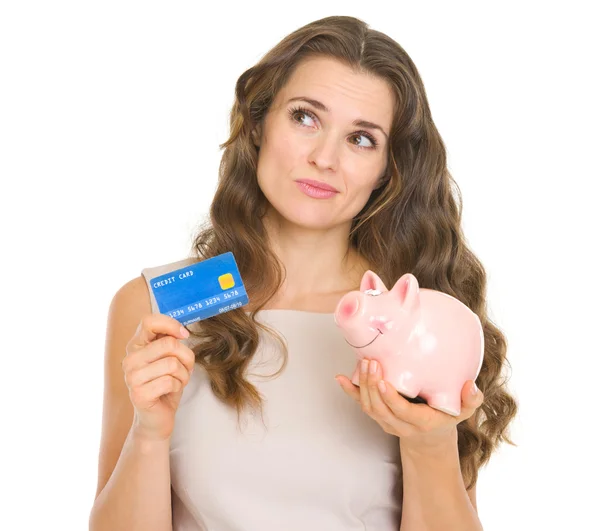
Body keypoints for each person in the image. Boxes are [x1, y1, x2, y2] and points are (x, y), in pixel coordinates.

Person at [89, 15, 518, 531]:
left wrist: (429, 446)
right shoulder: (157, 306)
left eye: (361, 139)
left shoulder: (420, 323)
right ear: (258, 123)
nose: (324, 159)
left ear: (388, 169)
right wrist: (150, 435)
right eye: (305, 118)